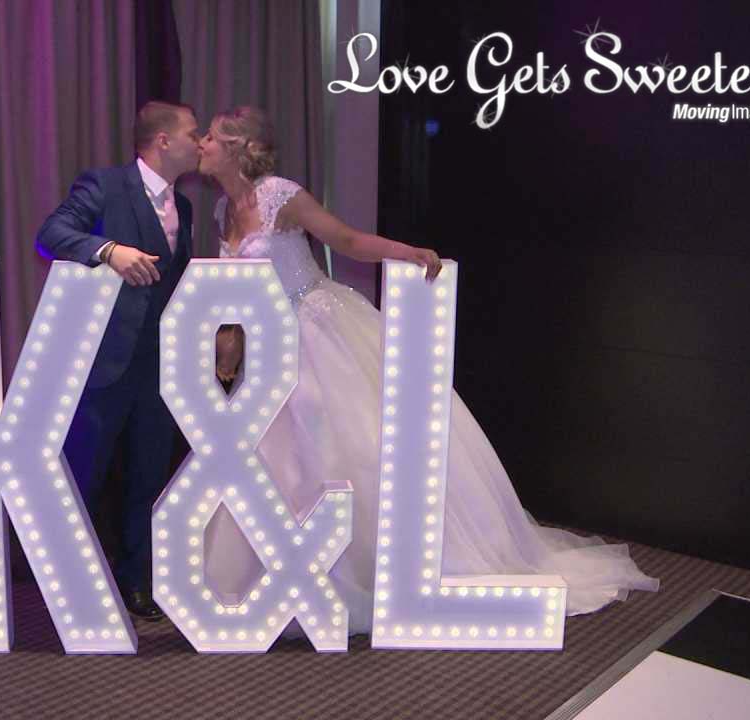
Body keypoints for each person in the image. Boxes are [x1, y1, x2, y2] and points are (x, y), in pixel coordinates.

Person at [197, 106, 659, 632]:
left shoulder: (280, 193)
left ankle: (366, 574)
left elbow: (345, 241)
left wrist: (407, 251)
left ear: (236, 147)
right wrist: (227, 349)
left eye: (209, 136)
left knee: (336, 441)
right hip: (267, 346)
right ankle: (282, 579)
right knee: (273, 459)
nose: (201, 144)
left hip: (315, 331)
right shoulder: (222, 210)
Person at [35, 101, 200, 620]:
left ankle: (136, 580)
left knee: (150, 475)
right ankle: (69, 581)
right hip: (105, 361)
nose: (201, 143)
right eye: (193, 133)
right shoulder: (104, 185)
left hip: (161, 365)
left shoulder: (186, 206)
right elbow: (51, 234)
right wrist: (109, 250)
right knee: (86, 469)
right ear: (163, 141)